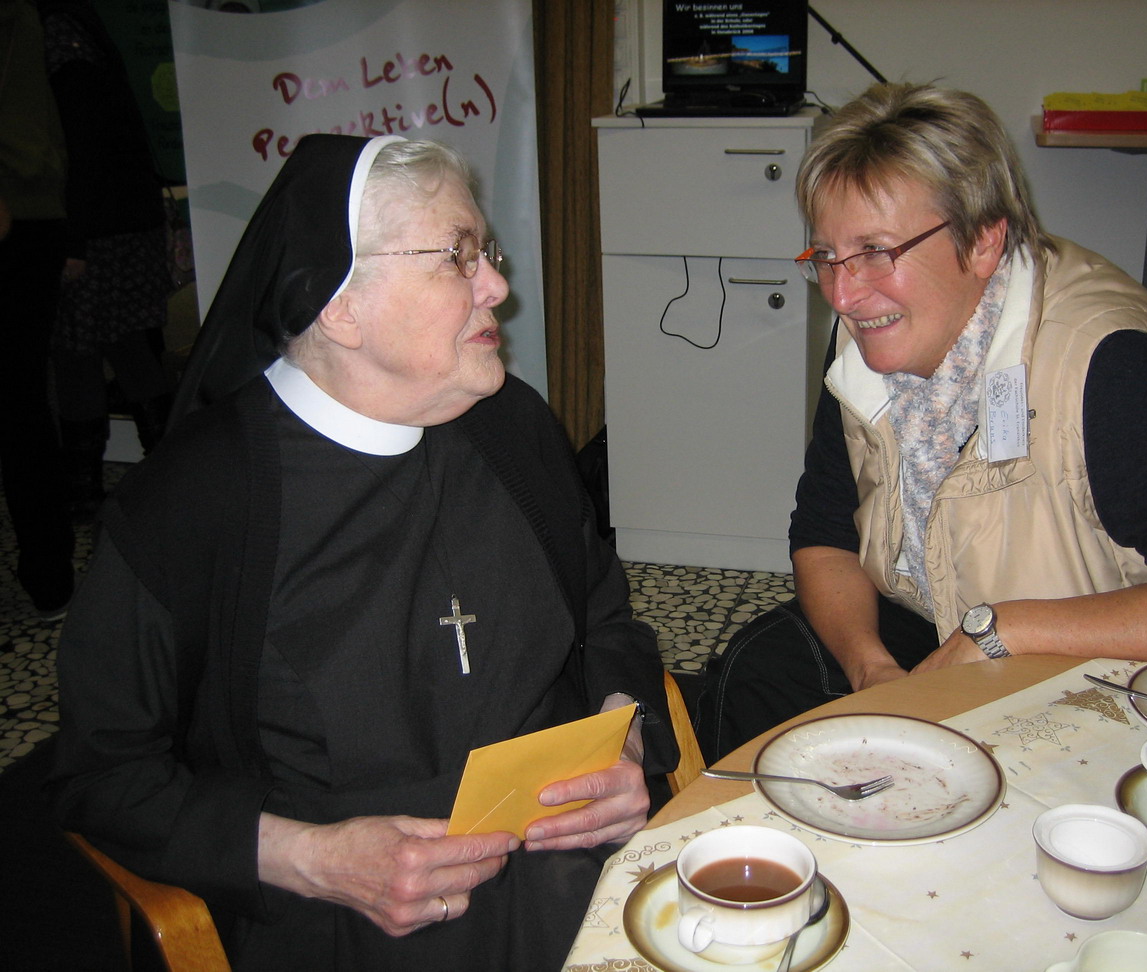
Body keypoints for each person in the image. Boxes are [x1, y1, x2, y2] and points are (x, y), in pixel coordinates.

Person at [49, 134, 677, 971]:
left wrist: (623, 736)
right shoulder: (192, 504)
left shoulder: (515, 427)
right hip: (349, 923)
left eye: (483, 250)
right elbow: (102, 776)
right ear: (339, 305)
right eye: (458, 258)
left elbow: (604, 622)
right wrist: (310, 858)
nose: (497, 283)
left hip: (574, 874)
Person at [696, 83, 1147, 764]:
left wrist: (1005, 630)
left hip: (1089, 657)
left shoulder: (1114, 367)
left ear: (984, 241)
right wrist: (872, 674)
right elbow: (826, 529)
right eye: (827, 256)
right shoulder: (867, 331)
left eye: (874, 252)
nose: (843, 292)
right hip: (932, 620)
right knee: (752, 679)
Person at [39, 0, 174, 518]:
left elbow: (80, 146)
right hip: (121, 220)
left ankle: (84, 491)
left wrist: (73, 241)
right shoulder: (81, 31)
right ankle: (169, 473)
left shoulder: (54, 39)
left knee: (78, 354)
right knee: (126, 345)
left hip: (95, 229)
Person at [0, 0, 75, 618]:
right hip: (31, 213)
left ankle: (49, 570)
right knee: (22, 403)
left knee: (20, 404)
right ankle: (49, 571)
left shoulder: (25, 21)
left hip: (24, 216)